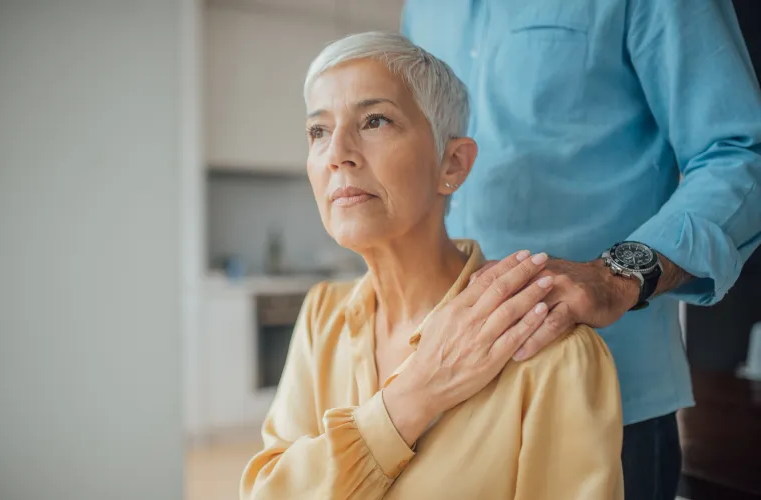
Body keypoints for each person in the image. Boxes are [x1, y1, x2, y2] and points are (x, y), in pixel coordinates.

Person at [400, 1, 761, 499]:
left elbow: (740, 152)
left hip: (608, 407)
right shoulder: (423, 9)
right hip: (446, 399)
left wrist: (616, 274)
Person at [240, 32, 624, 500]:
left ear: (453, 163)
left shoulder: (551, 351)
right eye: (318, 131)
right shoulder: (323, 315)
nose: (337, 152)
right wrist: (411, 399)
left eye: (375, 120)